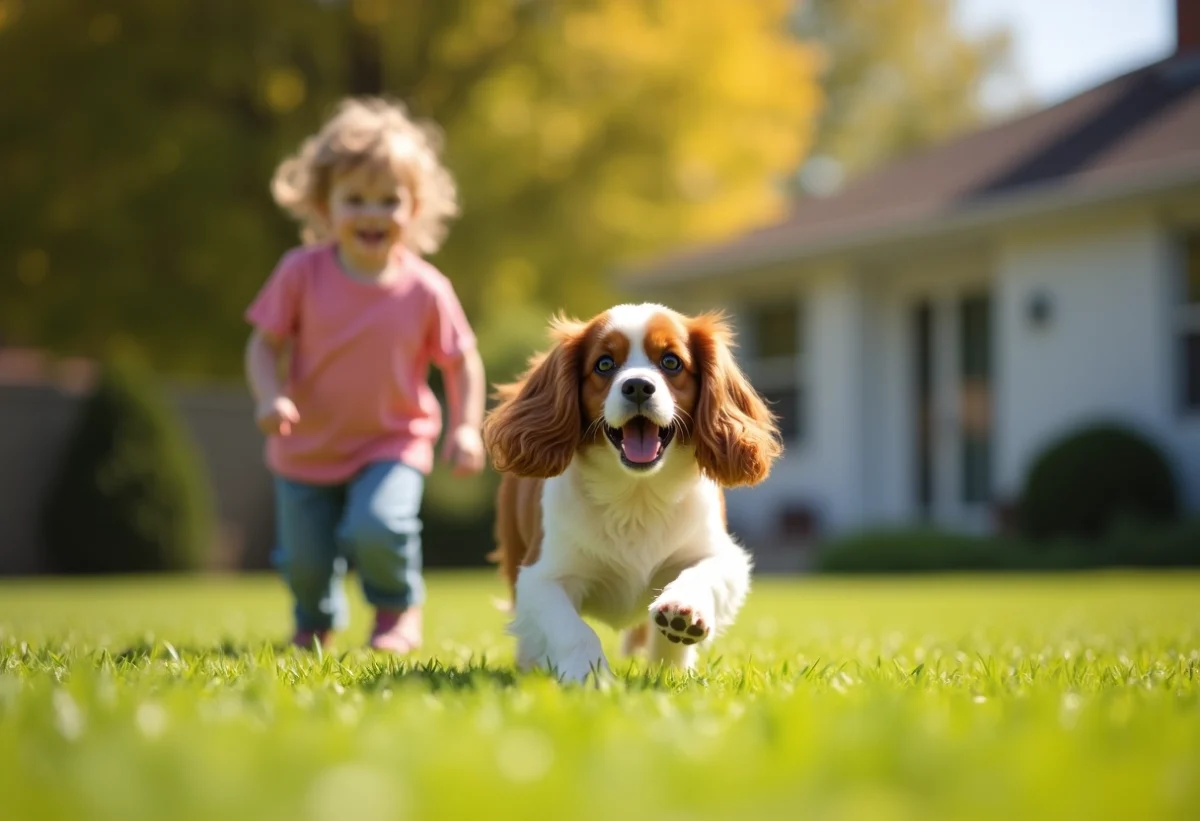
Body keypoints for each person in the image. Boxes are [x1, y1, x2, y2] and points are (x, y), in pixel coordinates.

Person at [243, 97, 486, 654]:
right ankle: (314, 620)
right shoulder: (300, 274)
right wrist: (269, 396)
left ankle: (396, 613)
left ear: (414, 208)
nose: (372, 214)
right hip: (306, 445)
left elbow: (461, 360)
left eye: (388, 200)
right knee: (304, 559)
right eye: (355, 199)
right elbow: (263, 345)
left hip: (391, 440)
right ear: (324, 207)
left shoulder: (426, 288)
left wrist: (465, 428)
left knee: (381, 526)